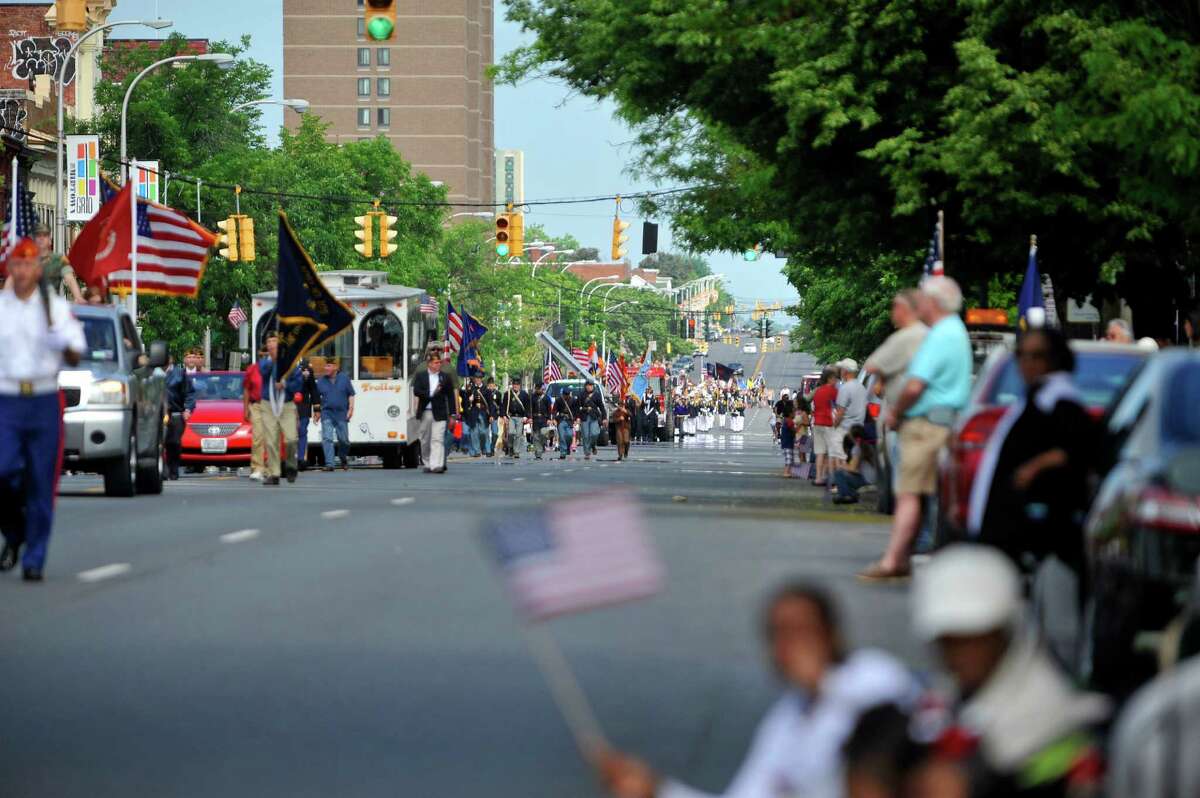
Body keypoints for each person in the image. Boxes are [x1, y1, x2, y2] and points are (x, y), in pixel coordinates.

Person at [598, 582, 919, 798]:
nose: (791, 646)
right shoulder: (787, 720)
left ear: (831, 634)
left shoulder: (872, 673)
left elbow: (899, 713)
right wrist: (657, 789)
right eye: (779, 635)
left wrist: (823, 684)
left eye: (802, 631)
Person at [912, 545, 1108, 797]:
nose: (959, 655)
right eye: (948, 641)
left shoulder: (1050, 719)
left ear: (1007, 631)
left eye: (974, 638)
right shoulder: (947, 699)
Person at [862, 276, 972, 581]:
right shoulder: (954, 331)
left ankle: (893, 560)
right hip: (945, 421)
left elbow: (915, 385)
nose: (918, 303)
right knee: (930, 495)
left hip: (924, 424)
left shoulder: (939, 336)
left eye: (922, 298)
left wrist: (896, 411)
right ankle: (913, 554)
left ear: (934, 303)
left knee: (908, 493)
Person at [966, 328, 1093, 573]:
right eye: (1022, 355)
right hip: (1012, 531)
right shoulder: (1038, 395)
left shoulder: (1059, 399)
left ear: (1056, 358)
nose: (1027, 364)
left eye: (1037, 356)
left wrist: (1032, 469)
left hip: (1040, 537)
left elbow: (1075, 448)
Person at [0, 238, 85, 581]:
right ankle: (16, 530)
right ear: (10, 268)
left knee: (40, 480)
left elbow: (76, 351)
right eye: (16, 265)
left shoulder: (53, 307)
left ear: (38, 269)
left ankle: (35, 556)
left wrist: (60, 342)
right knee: (2, 472)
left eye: (28, 265)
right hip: (6, 400)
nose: (21, 271)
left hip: (43, 399)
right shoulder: (2, 308)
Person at [865, 290, 929, 496]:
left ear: (904, 310)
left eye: (894, 307)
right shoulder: (932, 335)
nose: (892, 313)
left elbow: (872, 365)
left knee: (906, 488)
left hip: (907, 419)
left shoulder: (906, 337)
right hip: (932, 418)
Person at [258, 333, 305, 485]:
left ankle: (291, 465)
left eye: (274, 341)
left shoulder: (291, 364)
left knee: (291, 439)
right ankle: (274, 473)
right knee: (271, 441)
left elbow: (298, 385)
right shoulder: (265, 363)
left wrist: (285, 384)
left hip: (286, 405)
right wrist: (272, 360)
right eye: (269, 341)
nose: (271, 344)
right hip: (268, 404)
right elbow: (262, 374)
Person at [411, 351, 457, 473]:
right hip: (425, 411)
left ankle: (436, 465)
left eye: (439, 362)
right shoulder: (421, 376)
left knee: (437, 439)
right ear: (429, 363)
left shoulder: (444, 377)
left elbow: (451, 396)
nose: (438, 365)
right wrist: (431, 394)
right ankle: (427, 462)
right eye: (436, 363)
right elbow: (416, 391)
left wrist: (453, 414)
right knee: (425, 439)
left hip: (440, 412)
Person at [315, 359, 355, 472]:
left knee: (344, 440)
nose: (326, 368)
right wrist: (317, 412)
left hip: (341, 414)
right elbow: (316, 398)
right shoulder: (321, 381)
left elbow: (351, 394)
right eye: (325, 366)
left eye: (328, 366)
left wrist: (351, 409)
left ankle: (343, 457)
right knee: (327, 438)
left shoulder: (344, 378)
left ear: (335, 367)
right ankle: (330, 464)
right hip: (327, 413)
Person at [163, 352, 196, 480]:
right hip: (158, 413)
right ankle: (161, 470)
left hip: (175, 413)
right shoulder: (154, 373)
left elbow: (189, 393)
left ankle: (173, 469)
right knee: (158, 442)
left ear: (171, 359)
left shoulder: (180, 374)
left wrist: (188, 409)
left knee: (174, 442)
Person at [34, 222, 84, 303]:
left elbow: (70, 279)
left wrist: (78, 297)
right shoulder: (27, 259)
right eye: (38, 236)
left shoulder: (59, 259)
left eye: (45, 236)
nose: (41, 238)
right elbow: (13, 279)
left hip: (51, 304)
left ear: (50, 240)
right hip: (30, 305)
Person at [832, 425, 877, 505]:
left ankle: (847, 495)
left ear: (853, 436)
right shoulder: (868, 446)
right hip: (873, 479)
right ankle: (846, 494)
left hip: (866, 480)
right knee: (843, 473)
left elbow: (853, 468)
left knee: (838, 473)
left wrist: (842, 466)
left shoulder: (857, 448)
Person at [811, 367, 840, 487]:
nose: (836, 381)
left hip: (817, 423)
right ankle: (828, 476)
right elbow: (839, 406)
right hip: (829, 423)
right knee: (830, 452)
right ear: (830, 378)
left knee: (820, 452)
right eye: (835, 379)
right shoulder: (833, 391)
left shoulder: (818, 391)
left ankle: (818, 477)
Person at [242, 347, 266, 481]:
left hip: (272, 405)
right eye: (262, 354)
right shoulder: (252, 369)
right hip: (256, 405)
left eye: (267, 354)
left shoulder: (276, 368)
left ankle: (270, 467)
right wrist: (245, 409)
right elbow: (246, 389)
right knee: (257, 437)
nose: (265, 356)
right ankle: (257, 468)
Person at [295, 359, 320, 470]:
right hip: (288, 407)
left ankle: (300, 459)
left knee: (302, 432)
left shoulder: (307, 368)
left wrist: (317, 409)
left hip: (303, 407)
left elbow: (313, 389)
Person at [834, 359, 868, 438]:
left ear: (845, 371)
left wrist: (834, 427)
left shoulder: (845, 388)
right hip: (859, 431)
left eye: (841, 369)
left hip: (845, 431)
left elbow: (840, 413)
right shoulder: (862, 387)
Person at [499, 378, 530, 458]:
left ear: (520, 386)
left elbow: (527, 407)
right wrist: (504, 416)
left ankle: (516, 451)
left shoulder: (524, 394)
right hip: (511, 416)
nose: (515, 386)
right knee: (511, 433)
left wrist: (526, 416)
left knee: (518, 435)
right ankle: (510, 446)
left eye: (517, 385)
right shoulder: (508, 394)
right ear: (512, 385)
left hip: (520, 417)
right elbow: (503, 405)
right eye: (514, 384)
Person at [576, 381, 606, 460]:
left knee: (594, 433)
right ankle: (587, 453)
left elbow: (602, 407)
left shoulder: (597, 395)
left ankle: (593, 445)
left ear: (593, 386)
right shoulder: (581, 395)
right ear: (585, 386)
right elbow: (577, 407)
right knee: (585, 436)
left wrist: (604, 418)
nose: (589, 387)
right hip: (584, 416)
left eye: (591, 385)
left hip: (594, 416)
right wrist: (578, 417)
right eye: (588, 385)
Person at [462, 372, 490, 457]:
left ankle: (485, 448)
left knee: (483, 432)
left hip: (483, 412)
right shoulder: (470, 389)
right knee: (474, 433)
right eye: (476, 378)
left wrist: (491, 415)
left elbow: (490, 403)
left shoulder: (486, 389)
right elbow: (464, 402)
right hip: (473, 412)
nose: (477, 380)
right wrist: (469, 400)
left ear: (481, 379)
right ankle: (477, 451)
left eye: (479, 378)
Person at [530, 383, 553, 460]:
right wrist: (530, 417)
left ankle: (543, 444)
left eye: (540, 389)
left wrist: (549, 419)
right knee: (536, 436)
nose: (539, 390)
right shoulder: (532, 397)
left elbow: (549, 409)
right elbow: (530, 408)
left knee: (543, 433)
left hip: (544, 418)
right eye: (537, 388)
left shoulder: (546, 398)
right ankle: (538, 454)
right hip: (535, 418)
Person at [555, 388, 576, 459]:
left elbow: (576, 411)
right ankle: (563, 452)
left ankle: (567, 447)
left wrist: (576, 419)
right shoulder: (558, 400)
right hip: (561, 420)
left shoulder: (573, 400)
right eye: (565, 394)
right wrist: (554, 418)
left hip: (569, 420)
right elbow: (555, 410)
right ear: (563, 394)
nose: (566, 396)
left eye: (567, 394)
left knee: (569, 435)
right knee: (561, 436)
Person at [779, 405, 797, 477]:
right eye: (794, 412)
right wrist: (798, 428)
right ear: (790, 413)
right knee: (789, 459)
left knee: (789, 458)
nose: (795, 413)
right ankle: (786, 472)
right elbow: (793, 430)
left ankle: (788, 471)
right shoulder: (789, 421)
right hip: (788, 443)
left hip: (786, 442)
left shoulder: (785, 420)